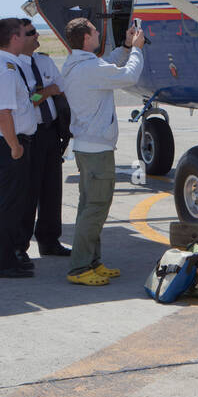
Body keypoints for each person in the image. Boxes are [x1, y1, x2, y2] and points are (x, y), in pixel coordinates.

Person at [59, 17, 146, 287]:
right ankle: (80, 267)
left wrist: (125, 47)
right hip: (97, 150)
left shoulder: (78, 64)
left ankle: (92, 261)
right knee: (95, 208)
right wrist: (138, 49)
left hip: (87, 147)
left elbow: (108, 65)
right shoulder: (90, 68)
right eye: (95, 31)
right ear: (86, 38)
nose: (99, 33)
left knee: (89, 206)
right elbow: (128, 76)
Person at [0, 17, 40, 278]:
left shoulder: (6, 65)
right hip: (10, 145)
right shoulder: (7, 69)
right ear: (15, 38)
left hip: (10, 143)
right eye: (24, 33)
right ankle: (4, 263)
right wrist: (15, 146)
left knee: (8, 205)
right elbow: (3, 113)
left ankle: (7, 259)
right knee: (6, 207)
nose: (28, 37)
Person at [16, 19, 71, 257]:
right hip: (29, 135)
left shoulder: (45, 61)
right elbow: (27, 101)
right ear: (19, 38)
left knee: (52, 189)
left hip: (50, 132)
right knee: (28, 192)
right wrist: (46, 92)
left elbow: (60, 88)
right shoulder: (14, 67)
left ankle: (49, 240)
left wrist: (43, 93)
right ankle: (20, 245)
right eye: (31, 33)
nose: (37, 35)